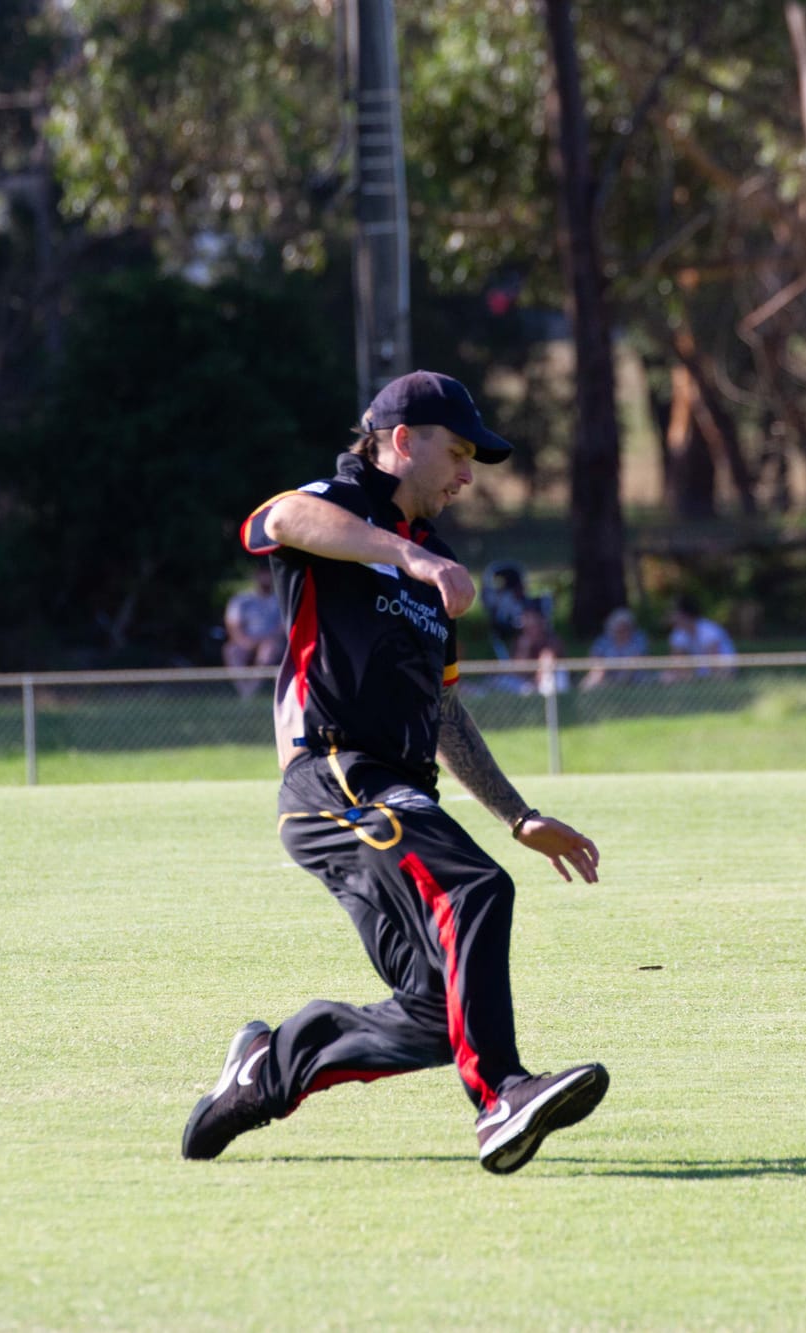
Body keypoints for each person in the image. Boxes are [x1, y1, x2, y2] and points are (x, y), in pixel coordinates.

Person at [183, 369, 609, 1175]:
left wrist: (517, 816)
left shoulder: (435, 559)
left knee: (433, 1009)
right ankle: (500, 1098)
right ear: (400, 441)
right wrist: (409, 559)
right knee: (475, 889)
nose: (467, 476)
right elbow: (274, 517)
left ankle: (262, 1072)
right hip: (336, 774)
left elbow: (446, 712)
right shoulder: (336, 506)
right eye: (456, 453)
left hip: (397, 787)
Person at [222, 564, 286, 698]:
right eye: (262, 573)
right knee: (232, 651)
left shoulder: (281, 599)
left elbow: (282, 626)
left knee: (267, 651)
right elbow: (233, 625)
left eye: (268, 573)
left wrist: (267, 640)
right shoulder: (242, 600)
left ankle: (251, 691)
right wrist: (244, 641)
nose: (265, 577)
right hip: (246, 641)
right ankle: (243, 691)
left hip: (271, 642)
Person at [663, 595, 736, 680]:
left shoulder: (709, 630)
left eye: (673, 611)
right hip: (700, 672)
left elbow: (714, 663)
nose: (670, 615)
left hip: (722, 669)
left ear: (684, 614)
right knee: (667, 677)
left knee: (720, 675)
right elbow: (676, 662)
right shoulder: (678, 634)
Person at [581, 606, 650, 690]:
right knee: (595, 675)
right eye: (619, 628)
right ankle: (582, 697)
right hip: (607, 673)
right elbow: (594, 657)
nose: (622, 631)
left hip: (633, 675)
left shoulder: (638, 638)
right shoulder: (604, 640)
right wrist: (600, 668)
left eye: (625, 627)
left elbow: (638, 658)